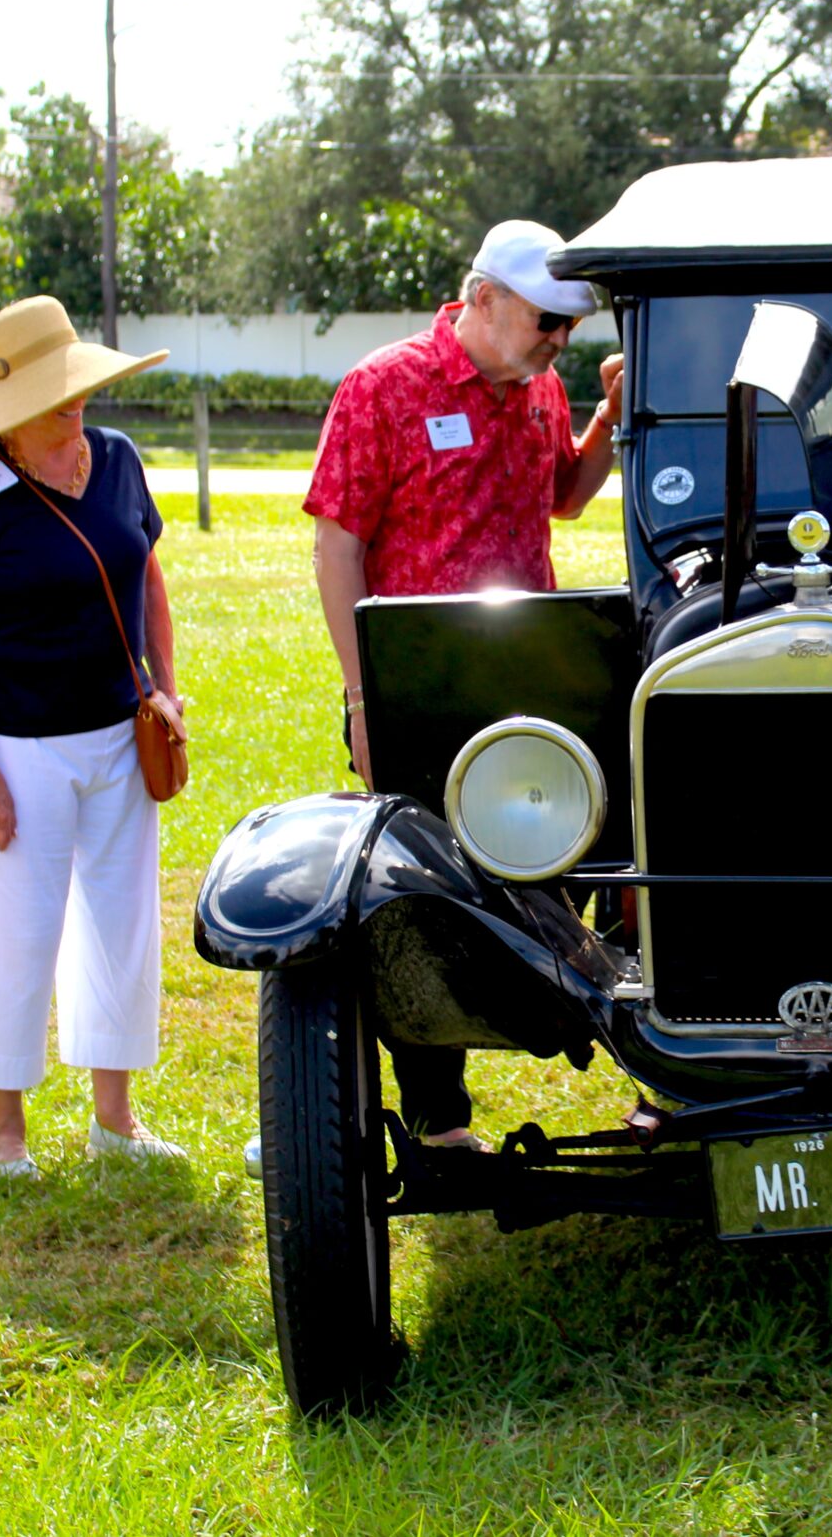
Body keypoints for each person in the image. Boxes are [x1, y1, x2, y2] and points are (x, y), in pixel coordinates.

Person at [244, 219, 624, 1179]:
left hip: (532, 678)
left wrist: (609, 422)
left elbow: (566, 495)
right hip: (419, 684)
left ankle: (639, 1048)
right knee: (418, 891)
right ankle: (439, 1120)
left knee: (580, 849)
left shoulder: (540, 387)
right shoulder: (383, 386)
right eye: (547, 321)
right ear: (484, 298)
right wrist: (363, 693)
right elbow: (338, 544)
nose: (559, 342)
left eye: (571, 328)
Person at [0, 296, 188, 1177]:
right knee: (14, 932)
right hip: (17, 747)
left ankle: (115, 1116)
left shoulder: (117, 459)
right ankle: (4, 1130)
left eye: (75, 390)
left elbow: (149, 580)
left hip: (120, 735)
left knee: (122, 922)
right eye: (52, 399)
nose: (74, 409)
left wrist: (165, 689)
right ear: (7, 416)